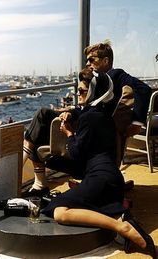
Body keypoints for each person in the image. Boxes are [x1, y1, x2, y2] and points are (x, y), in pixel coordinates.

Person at [41, 68, 156, 259]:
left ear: (94, 92)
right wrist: (72, 114)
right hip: (112, 179)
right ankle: (120, 218)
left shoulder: (89, 117)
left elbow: (77, 153)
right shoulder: (104, 116)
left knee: (59, 211)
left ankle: (122, 225)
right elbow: (85, 121)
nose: (78, 94)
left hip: (100, 178)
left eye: (82, 91)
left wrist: (69, 134)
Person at [23, 40, 152, 196]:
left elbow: (144, 89)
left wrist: (137, 122)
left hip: (93, 127)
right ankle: (36, 180)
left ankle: (29, 178)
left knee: (43, 115)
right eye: (87, 60)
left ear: (106, 61)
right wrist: (71, 111)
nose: (88, 63)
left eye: (92, 60)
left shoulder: (115, 75)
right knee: (42, 121)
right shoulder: (94, 78)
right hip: (85, 119)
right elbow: (89, 106)